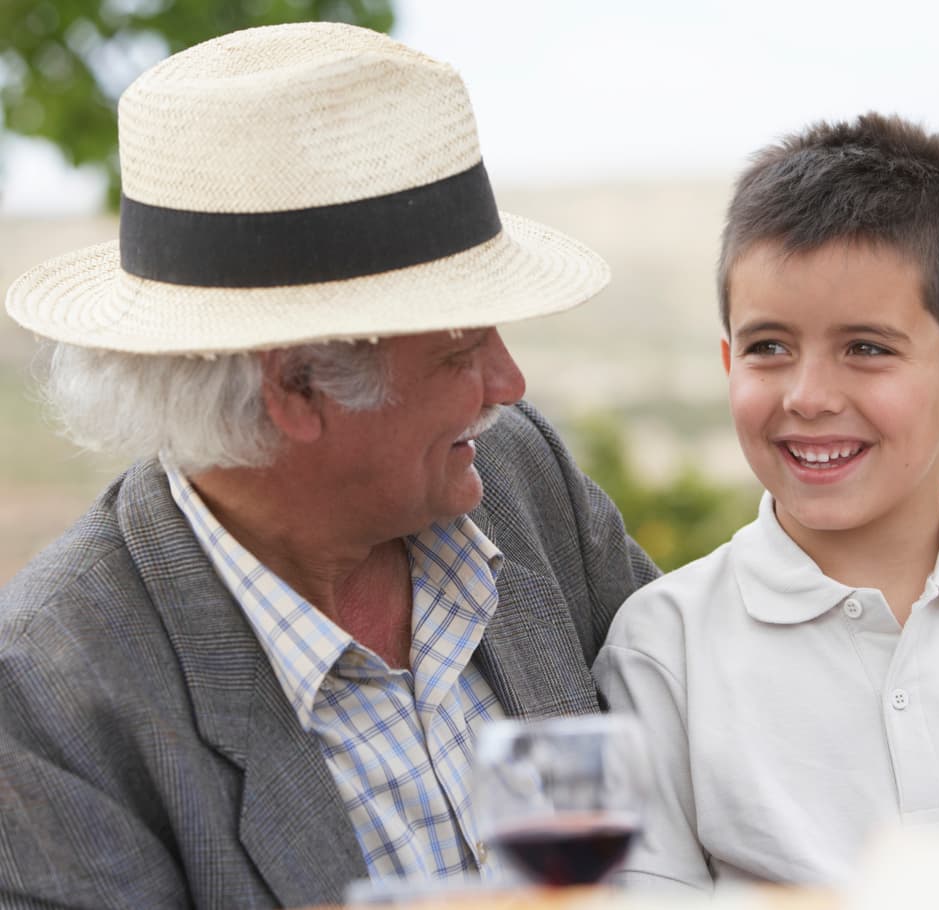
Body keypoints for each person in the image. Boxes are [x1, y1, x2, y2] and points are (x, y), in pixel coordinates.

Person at [0, 22, 658, 909]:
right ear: (297, 387)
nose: (510, 382)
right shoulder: (47, 699)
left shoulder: (519, 478)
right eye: (462, 350)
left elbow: (704, 766)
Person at [593, 114, 939, 890]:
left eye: (867, 348)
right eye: (768, 347)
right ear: (728, 363)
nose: (809, 396)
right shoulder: (664, 647)